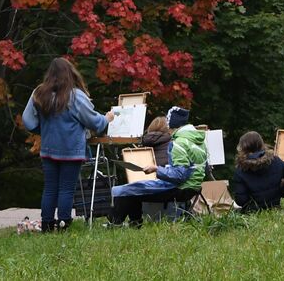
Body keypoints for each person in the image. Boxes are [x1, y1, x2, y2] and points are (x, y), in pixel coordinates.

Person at [22, 57, 114, 232]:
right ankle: (64, 223)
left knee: (50, 188)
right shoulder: (75, 96)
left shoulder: (39, 93)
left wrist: (43, 130)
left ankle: (47, 224)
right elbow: (94, 122)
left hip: (48, 149)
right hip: (71, 151)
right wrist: (107, 118)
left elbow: (27, 121)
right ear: (70, 74)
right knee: (66, 189)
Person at [108, 106, 207, 226]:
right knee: (133, 189)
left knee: (125, 190)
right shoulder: (195, 141)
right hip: (192, 188)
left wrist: (156, 169)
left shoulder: (179, 143)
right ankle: (134, 224)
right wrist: (164, 169)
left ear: (171, 125)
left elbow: (180, 175)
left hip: (179, 188)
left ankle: (116, 225)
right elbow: (194, 168)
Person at [229, 131, 284, 212]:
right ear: (262, 144)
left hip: (252, 213)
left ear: (243, 148)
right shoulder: (275, 161)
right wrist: (280, 193)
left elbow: (241, 201)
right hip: (274, 208)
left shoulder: (241, 170)